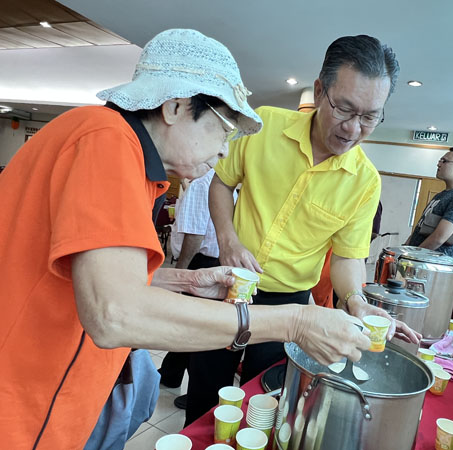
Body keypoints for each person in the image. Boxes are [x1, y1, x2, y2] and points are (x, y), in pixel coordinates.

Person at [0, 29, 374, 449]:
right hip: (25, 404)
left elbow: (92, 276)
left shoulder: (131, 161)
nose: (224, 152)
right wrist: (294, 322)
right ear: (175, 107)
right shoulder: (105, 140)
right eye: (224, 131)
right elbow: (114, 313)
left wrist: (185, 280)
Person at [186, 34, 421, 426]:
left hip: (288, 303)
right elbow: (222, 183)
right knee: (204, 390)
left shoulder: (364, 181)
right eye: (345, 109)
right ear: (320, 91)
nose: (354, 128)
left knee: (266, 402)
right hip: (228, 284)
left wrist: (355, 299)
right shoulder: (263, 125)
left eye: (370, 117)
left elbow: (347, 258)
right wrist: (228, 240)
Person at [158, 168, 237, 409]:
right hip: (216, 262)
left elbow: (195, 235)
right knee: (192, 324)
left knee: (193, 327)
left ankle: (194, 390)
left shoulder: (203, 184)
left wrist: (181, 272)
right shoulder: (223, 183)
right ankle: (171, 373)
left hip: (201, 263)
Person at [405, 147, 453, 258]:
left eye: (444, 161)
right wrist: (405, 249)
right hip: (418, 260)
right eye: (440, 160)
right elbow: (420, 227)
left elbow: (439, 237)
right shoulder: (441, 195)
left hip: (431, 264)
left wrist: (412, 256)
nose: (438, 164)